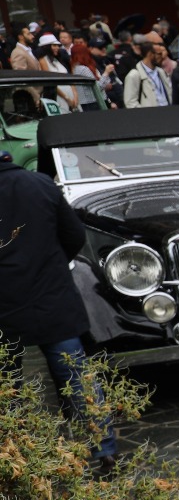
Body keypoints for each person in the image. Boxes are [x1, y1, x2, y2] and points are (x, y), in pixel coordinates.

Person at [0, 149, 116, 471]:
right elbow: (74, 235)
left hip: (4, 307)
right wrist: (49, 264)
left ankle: (16, 458)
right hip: (50, 297)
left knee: (7, 386)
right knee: (77, 377)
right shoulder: (40, 184)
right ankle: (103, 449)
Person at [122, 41, 171, 108]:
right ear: (150, 54)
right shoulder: (134, 75)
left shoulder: (161, 71)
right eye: (159, 54)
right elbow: (130, 103)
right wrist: (146, 115)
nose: (162, 56)